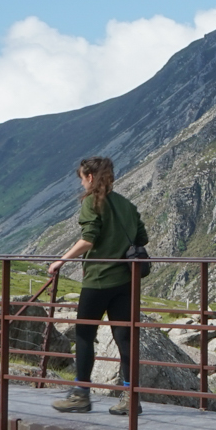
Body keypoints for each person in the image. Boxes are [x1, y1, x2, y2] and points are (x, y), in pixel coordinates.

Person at [47, 156, 147, 414]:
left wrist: (60, 261)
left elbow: (88, 239)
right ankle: (131, 398)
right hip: (125, 282)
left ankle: (81, 394)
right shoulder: (127, 205)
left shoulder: (91, 203)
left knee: (84, 335)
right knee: (124, 338)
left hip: (98, 280)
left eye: (82, 179)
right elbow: (141, 236)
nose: (82, 184)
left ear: (90, 177)